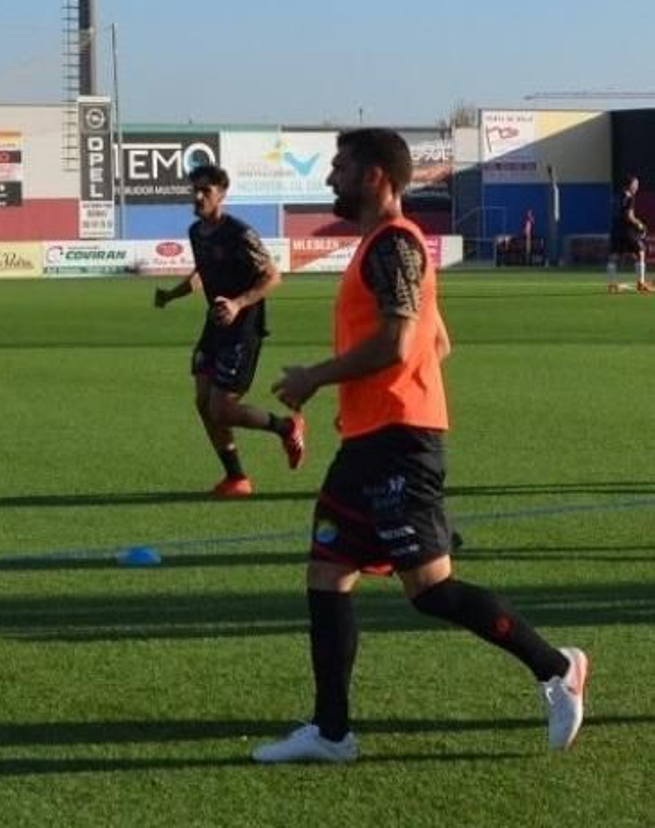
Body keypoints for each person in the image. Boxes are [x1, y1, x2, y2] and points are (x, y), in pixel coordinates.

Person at [259, 128, 588, 763]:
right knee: (327, 573)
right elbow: (438, 342)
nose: (331, 178)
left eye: (341, 167)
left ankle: (556, 667)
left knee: (431, 590)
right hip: (373, 440)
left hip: (398, 445)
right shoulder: (384, 249)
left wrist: (314, 379)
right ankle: (331, 733)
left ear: (376, 176)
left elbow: (402, 344)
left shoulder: (393, 246)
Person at [153, 163, 304, 497]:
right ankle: (236, 478)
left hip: (243, 327)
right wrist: (171, 295)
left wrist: (238, 303)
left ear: (221, 194)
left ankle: (285, 427)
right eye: (194, 189)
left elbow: (273, 276)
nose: (197, 196)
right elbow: (202, 273)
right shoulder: (196, 232)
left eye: (205, 190)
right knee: (202, 402)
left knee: (221, 408)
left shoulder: (239, 233)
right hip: (215, 325)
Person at [607, 173, 648, 293]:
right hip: (627, 230)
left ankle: (611, 284)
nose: (637, 187)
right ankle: (641, 283)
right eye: (635, 184)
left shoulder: (616, 196)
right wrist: (639, 224)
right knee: (641, 252)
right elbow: (629, 216)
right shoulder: (629, 197)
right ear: (629, 185)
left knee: (613, 257)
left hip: (616, 229)